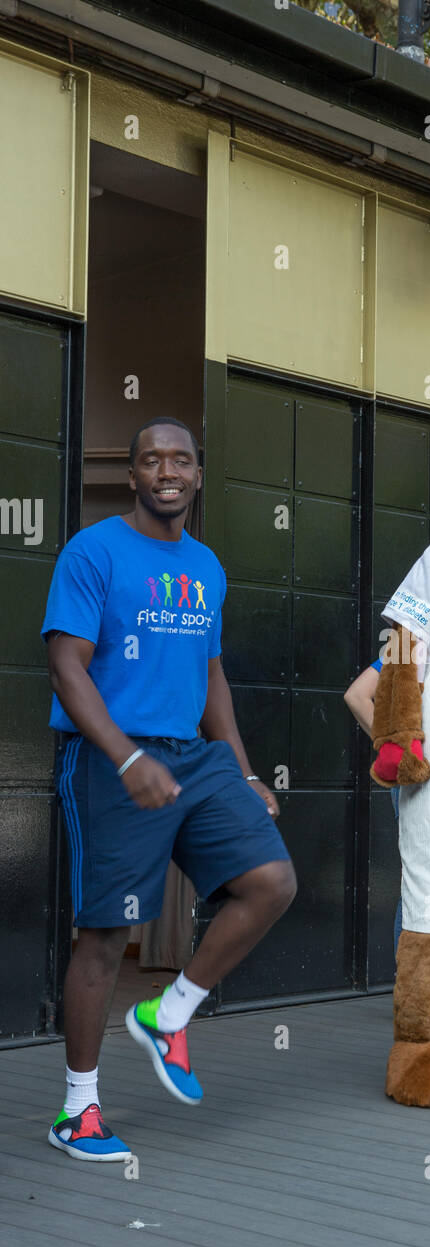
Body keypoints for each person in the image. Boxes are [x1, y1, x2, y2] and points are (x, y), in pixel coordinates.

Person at [43, 417, 296, 1160]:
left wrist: (243, 769)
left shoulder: (207, 566)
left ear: (195, 473)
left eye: (180, 460)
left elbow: (209, 673)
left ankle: (170, 1011)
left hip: (196, 755)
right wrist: (125, 757)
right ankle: (77, 1111)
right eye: (151, 459)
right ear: (132, 476)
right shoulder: (93, 553)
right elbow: (67, 666)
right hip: (111, 756)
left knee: (271, 881)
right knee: (106, 934)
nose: (167, 470)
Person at [343, 657, 430, 958]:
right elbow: (356, 696)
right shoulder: (419, 641)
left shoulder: (425, 642)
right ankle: (422, 987)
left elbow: (356, 695)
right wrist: (403, 752)